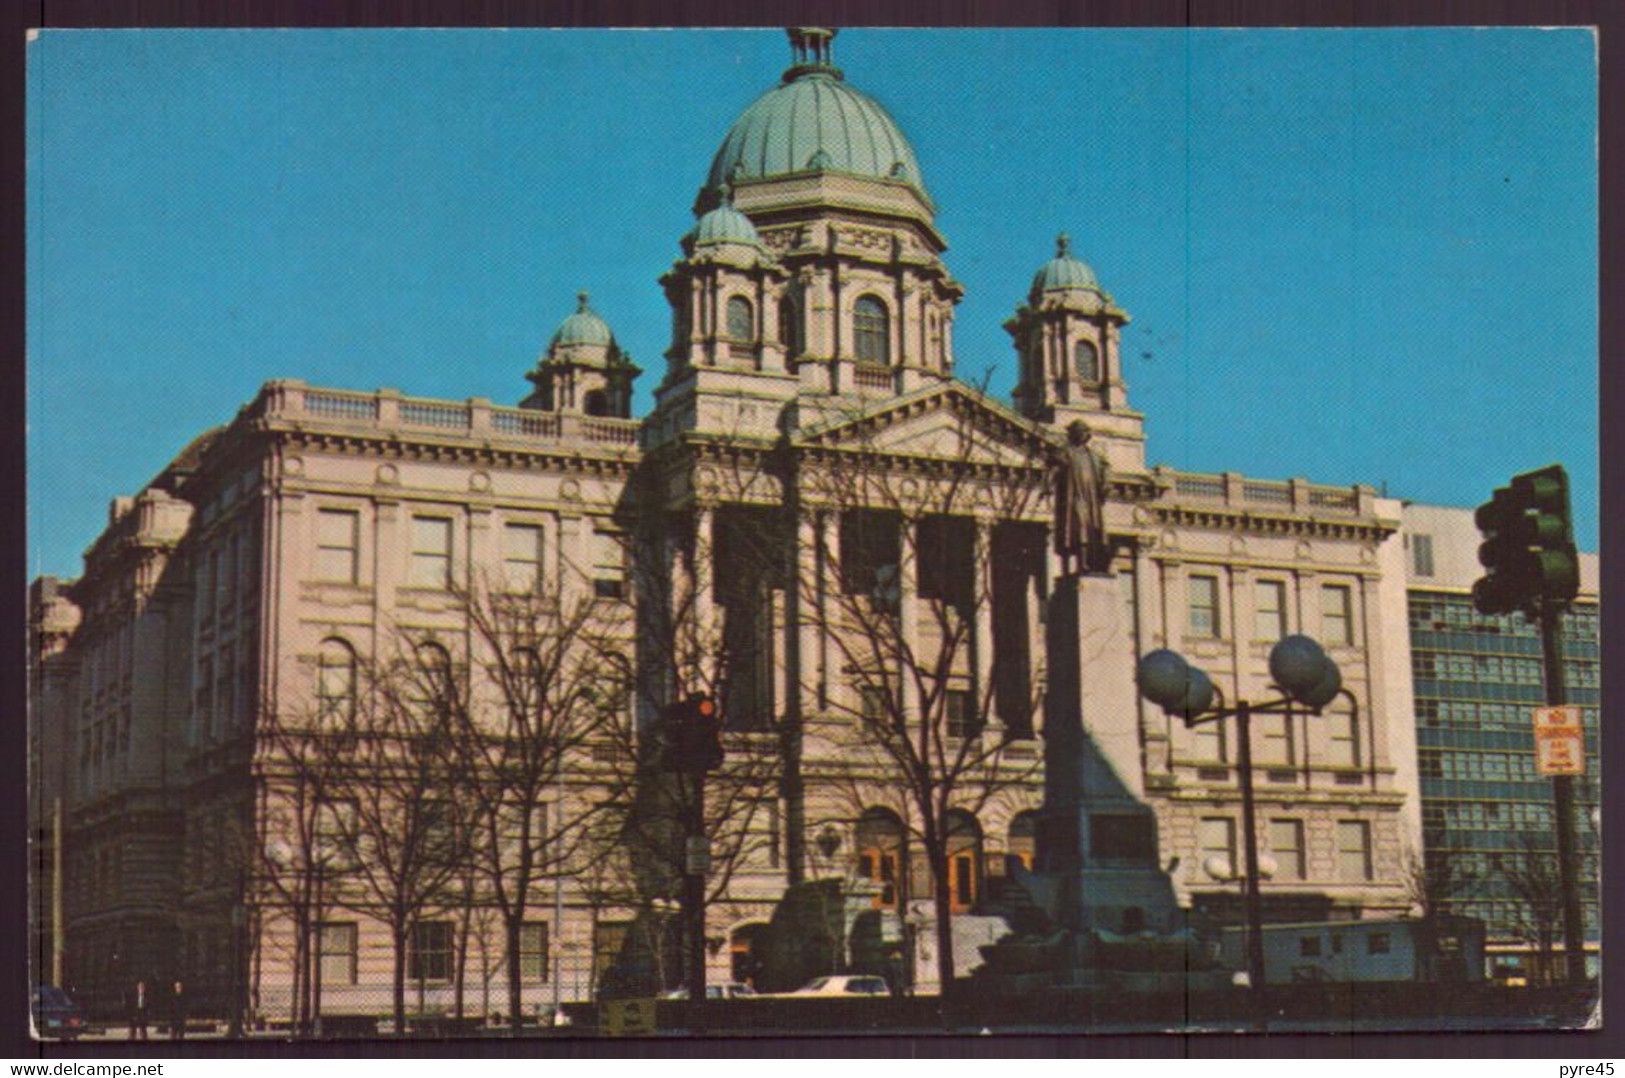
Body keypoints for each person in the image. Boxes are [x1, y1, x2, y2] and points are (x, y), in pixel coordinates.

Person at [1051, 420, 1110, 575]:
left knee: (1091, 530)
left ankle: (1089, 565)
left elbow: (1105, 470)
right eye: (1079, 431)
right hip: (1074, 496)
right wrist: (1046, 486)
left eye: (1085, 431)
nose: (1083, 434)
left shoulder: (1094, 456)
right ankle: (1071, 568)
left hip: (1091, 499)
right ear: (1072, 434)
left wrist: (1105, 485)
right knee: (1076, 528)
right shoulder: (1064, 452)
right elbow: (1053, 468)